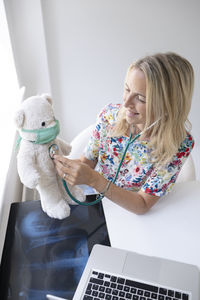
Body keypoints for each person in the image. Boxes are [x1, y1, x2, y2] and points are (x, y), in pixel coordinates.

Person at [54, 52, 194, 215]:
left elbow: (142, 204)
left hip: (131, 211)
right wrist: (59, 165)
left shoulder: (180, 145)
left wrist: (94, 179)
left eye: (140, 99)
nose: (126, 103)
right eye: (127, 89)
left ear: (169, 105)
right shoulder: (108, 116)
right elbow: (88, 163)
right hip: (98, 203)